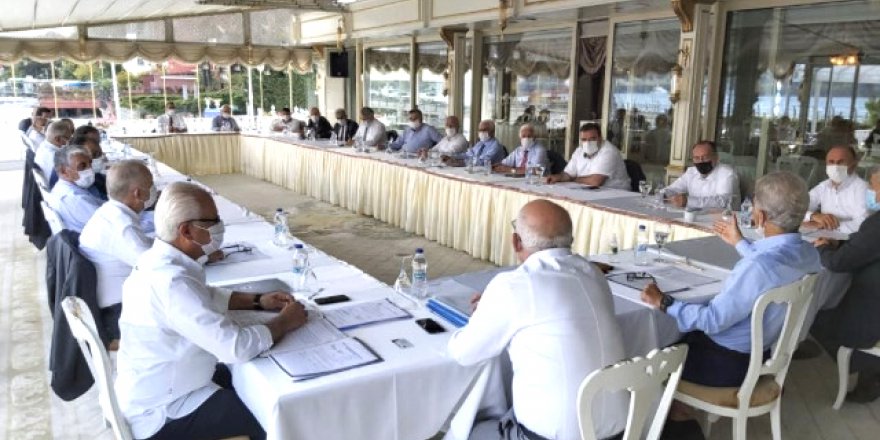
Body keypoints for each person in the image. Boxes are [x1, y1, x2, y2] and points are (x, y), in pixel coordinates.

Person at [115, 182, 308, 440]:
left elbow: (205, 296)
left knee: (250, 381)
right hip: (165, 411)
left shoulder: (158, 260)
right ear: (186, 230)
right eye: (213, 221)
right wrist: (285, 321)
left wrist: (258, 301)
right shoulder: (171, 282)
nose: (220, 227)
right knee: (275, 414)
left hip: (163, 383)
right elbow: (236, 348)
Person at [448, 199, 627, 440]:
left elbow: (463, 353)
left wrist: (485, 311)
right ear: (571, 239)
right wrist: (495, 305)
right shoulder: (593, 273)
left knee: (469, 425)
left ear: (516, 241)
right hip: (620, 432)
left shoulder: (514, 286)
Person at [642, 171, 820, 390]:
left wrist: (664, 302)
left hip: (725, 363)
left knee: (648, 354)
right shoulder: (810, 254)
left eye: (753, 207)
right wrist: (740, 243)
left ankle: (673, 409)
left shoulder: (757, 267)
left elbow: (712, 320)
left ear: (761, 217)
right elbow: (772, 266)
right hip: (760, 355)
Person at [79, 160, 157, 343]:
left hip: (113, 305)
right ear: (137, 193)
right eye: (151, 185)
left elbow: (147, 247)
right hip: (118, 315)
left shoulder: (109, 212)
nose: (154, 189)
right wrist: (199, 255)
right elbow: (158, 268)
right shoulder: (122, 226)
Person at [803, 145, 869, 234]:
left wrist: (825, 226)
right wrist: (813, 216)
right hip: (823, 237)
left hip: (852, 239)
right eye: (831, 162)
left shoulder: (863, 188)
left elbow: (864, 223)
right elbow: (797, 210)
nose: (835, 166)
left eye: (841, 162)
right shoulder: (824, 186)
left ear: (854, 165)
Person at [545, 123, 629, 189]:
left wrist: (573, 179)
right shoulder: (579, 150)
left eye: (592, 139)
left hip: (616, 194)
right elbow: (568, 174)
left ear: (600, 138)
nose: (588, 143)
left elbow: (595, 182)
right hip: (588, 191)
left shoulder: (609, 151)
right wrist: (558, 177)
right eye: (584, 139)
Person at [664, 141, 741, 210]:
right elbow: (672, 189)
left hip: (724, 218)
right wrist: (663, 195)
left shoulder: (727, 173)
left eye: (705, 157)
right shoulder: (691, 172)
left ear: (716, 157)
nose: (701, 161)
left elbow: (723, 201)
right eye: (697, 158)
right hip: (696, 216)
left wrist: (688, 201)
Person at [47, 145, 105, 233]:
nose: (90, 169)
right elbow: (109, 225)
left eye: (90, 163)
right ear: (64, 171)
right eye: (82, 166)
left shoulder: (63, 188)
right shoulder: (75, 199)